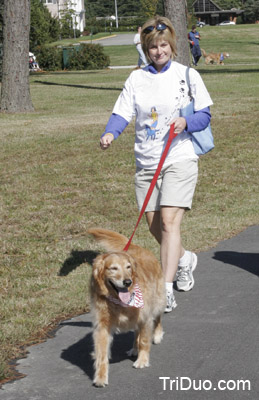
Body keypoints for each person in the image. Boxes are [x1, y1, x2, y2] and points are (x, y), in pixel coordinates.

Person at [100, 16, 213, 312]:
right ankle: (184, 258)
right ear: (146, 49)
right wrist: (110, 133)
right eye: (153, 47)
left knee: (169, 221)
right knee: (154, 227)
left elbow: (204, 115)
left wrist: (186, 121)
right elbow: (122, 113)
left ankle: (165, 289)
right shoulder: (136, 79)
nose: (159, 51)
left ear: (172, 46)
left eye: (163, 45)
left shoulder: (187, 75)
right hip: (147, 161)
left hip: (179, 157)